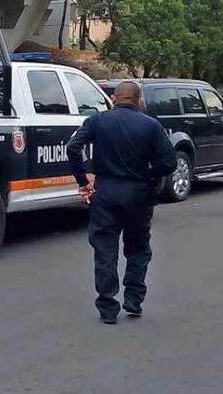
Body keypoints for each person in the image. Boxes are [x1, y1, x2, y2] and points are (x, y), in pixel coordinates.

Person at [66, 80, 176, 324]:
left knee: (105, 248)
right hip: (139, 194)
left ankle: (107, 308)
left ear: (114, 99)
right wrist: (148, 175)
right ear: (138, 100)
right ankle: (134, 300)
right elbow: (170, 163)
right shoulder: (151, 125)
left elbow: (73, 147)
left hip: (105, 192)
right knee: (137, 248)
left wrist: (82, 179)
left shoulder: (98, 121)